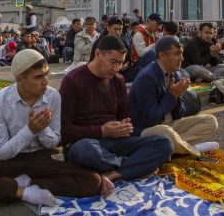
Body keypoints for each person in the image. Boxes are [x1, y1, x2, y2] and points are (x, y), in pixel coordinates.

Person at [0, 50, 111, 205]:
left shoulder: (53, 96)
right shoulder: (0, 101)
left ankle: (25, 184)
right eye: (38, 77)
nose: (45, 81)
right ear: (19, 79)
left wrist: (42, 129)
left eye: (46, 74)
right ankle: (23, 192)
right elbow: (1, 153)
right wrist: (30, 130)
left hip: (41, 161)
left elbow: (53, 143)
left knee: (93, 181)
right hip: (10, 162)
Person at [60, 35, 173, 183]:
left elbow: (124, 117)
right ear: (98, 54)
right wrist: (101, 131)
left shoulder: (118, 80)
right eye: (113, 62)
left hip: (113, 142)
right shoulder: (73, 81)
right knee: (84, 150)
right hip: (85, 143)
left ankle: (115, 173)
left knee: (164, 143)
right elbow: (63, 131)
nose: (116, 68)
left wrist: (124, 126)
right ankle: (135, 166)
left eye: (120, 63)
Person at [129, 36, 219, 156]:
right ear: (162, 56)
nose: (181, 58)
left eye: (181, 53)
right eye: (177, 54)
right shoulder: (148, 78)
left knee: (210, 121)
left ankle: (173, 147)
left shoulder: (175, 73)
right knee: (165, 131)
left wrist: (178, 95)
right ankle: (192, 149)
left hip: (169, 126)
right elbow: (152, 119)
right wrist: (172, 95)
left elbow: (179, 115)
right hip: (147, 129)